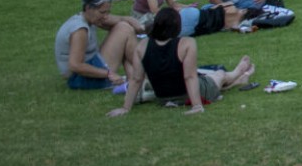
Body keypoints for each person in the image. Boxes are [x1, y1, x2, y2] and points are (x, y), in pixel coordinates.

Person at [109, 8, 256, 117]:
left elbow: (136, 79)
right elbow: (189, 77)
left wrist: (125, 108)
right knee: (219, 74)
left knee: (206, 74)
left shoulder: (142, 46)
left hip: (163, 97)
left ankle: (238, 80)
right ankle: (238, 72)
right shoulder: (186, 43)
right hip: (188, 93)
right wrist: (197, 105)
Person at [56, 0, 139, 90]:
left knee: (123, 27)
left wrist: (133, 22)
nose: (105, 16)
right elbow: (75, 65)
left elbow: (119, 20)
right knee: (124, 29)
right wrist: (109, 74)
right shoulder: (80, 30)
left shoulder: (88, 18)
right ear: (88, 8)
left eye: (107, 12)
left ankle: (136, 78)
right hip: (80, 79)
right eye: (102, 12)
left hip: (89, 68)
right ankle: (143, 73)